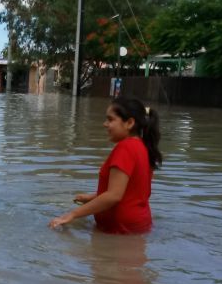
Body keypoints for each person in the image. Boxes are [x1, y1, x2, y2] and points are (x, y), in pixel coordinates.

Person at [49, 97, 162, 234]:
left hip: (120, 231)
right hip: (137, 226)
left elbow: (114, 196)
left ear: (129, 123)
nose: (105, 124)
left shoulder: (125, 148)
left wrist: (72, 214)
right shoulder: (143, 147)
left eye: (110, 119)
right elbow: (130, 191)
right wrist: (92, 198)